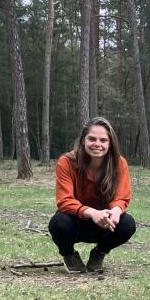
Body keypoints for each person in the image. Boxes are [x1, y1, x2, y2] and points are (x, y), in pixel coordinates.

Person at [48, 117, 136, 273]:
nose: (97, 144)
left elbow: (122, 197)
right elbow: (64, 201)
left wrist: (116, 211)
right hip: (74, 221)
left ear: (110, 143)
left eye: (103, 140)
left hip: (105, 222)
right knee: (58, 223)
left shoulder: (119, 163)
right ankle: (69, 255)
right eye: (92, 139)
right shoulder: (66, 162)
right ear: (83, 140)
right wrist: (92, 213)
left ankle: (99, 253)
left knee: (127, 223)